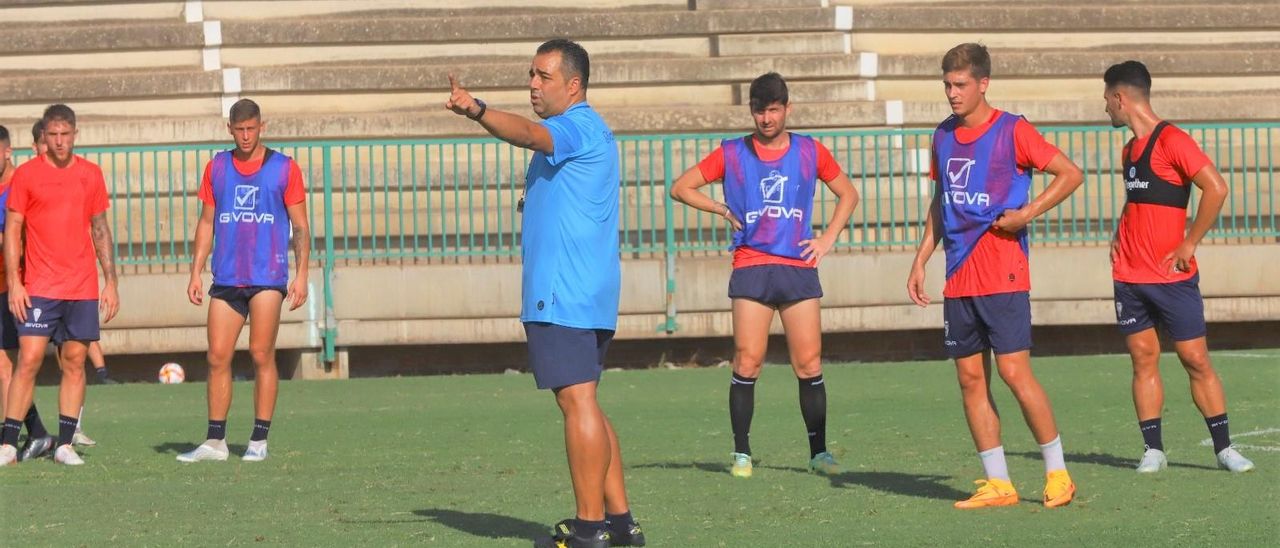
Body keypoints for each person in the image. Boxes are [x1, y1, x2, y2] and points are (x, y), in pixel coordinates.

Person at [446, 39, 644, 548]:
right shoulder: (590, 129)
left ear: (573, 85)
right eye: (530, 75)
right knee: (588, 404)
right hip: (591, 290)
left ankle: (587, 530)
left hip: (563, 291)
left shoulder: (571, 126)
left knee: (577, 402)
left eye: (543, 76)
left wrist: (477, 110)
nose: (533, 84)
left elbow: (530, 134)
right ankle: (620, 524)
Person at [906, 43, 1083, 508]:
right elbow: (941, 202)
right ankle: (999, 482)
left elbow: (1069, 173)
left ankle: (1058, 472)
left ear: (983, 83)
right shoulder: (942, 136)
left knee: (1013, 372)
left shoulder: (1013, 130)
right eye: (946, 84)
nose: (952, 93)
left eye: (960, 84)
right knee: (969, 379)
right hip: (958, 275)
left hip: (1003, 272)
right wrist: (922, 256)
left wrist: (1027, 213)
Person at [670, 72, 858, 478]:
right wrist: (721, 209)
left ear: (787, 109)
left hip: (796, 267)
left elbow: (849, 193)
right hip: (752, 266)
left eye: (774, 110)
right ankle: (741, 453)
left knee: (808, 363)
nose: (767, 118)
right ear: (751, 110)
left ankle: (818, 452)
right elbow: (681, 187)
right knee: (747, 361)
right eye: (760, 110)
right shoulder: (733, 152)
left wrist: (825, 239)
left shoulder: (810, 150)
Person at [1101, 60, 1254, 473]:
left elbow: (1216, 187)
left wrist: (1190, 241)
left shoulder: (1173, 140)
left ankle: (1223, 449)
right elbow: (1137, 201)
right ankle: (1153, 450)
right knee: (1143, 358)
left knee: (1196, 359)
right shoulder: (1128, 150)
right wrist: (1120, 232)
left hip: (1171, 277)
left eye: (1107, 102)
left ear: (1120, 98)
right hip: (1129, 276)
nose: (1106, 110)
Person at [177, 99, 310, 464]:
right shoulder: (217, 167)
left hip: (267, 276)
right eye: (240, 129)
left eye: (252, 128)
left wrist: (301, 274)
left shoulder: (284, 168)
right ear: (230, 129)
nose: (247, 135)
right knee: (217, 356)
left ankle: (258, 438)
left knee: (260, 353)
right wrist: (195, 270)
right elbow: (206, 222)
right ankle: (215, 441)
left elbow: (300, 226)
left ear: (262, 127)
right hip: (227, 276)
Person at [0, 104, 120, 466]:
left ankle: (65, 444)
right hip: (39, 285)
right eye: (52, 135)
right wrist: (16, 283)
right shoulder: (27, 176)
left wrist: (111, 281)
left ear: (75, 134)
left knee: (74, 361)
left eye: (65, 134)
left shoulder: (90, 175)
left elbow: (100, 228)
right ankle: (7, 444)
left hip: (81, 285)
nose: (59, 141)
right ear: (44, 137)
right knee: (30, 359)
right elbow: (14, 230)